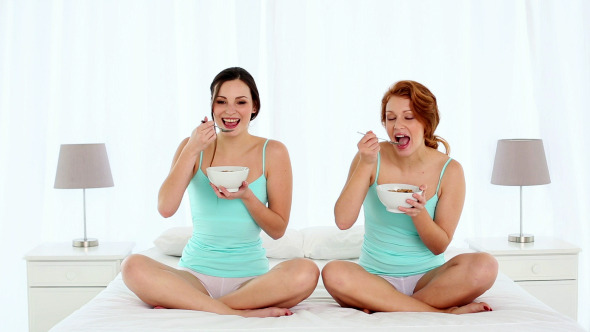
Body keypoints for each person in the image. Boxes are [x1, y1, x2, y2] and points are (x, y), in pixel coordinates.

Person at [122, 67, 319, 317]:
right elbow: (165, 207)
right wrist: (192, 149)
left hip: (250, 281)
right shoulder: (192, 146)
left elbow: (278, 229)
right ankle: (238, 313)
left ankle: (199, 306)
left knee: (307, 271)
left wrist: (248, 197)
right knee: (132, 265)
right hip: (194, 277)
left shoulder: (274, 152)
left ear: (254, 107)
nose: (230, 111)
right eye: (221, 101)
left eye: (241, 102)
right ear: (212, 106)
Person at [322, 80, 498, 314]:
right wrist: (365, 163)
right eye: (391, 118)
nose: (397, 125)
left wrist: (419, 213)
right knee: (333, 272)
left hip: (428, 280)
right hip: (374, 278)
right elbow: (343, 221)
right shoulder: (369, 158)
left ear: (426, 122)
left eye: (409, 117)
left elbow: (439, 246)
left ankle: (383, 304)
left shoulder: (450, 170)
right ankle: (439, 313)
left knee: (485, 266)